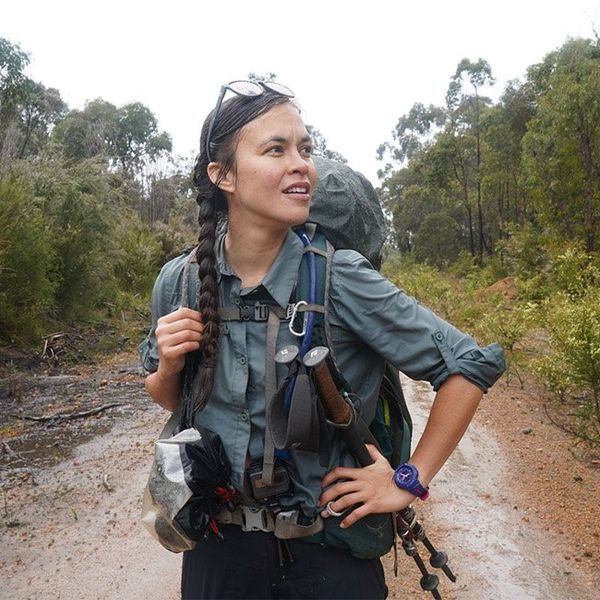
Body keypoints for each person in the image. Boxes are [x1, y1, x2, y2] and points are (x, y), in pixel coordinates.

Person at [139, 79, 505, 599]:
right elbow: (168, 399)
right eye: (276, 149)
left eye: (305, 149)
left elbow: (468, 364)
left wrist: (407, 480)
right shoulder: (179, 282)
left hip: (327, 555)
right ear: (222, 175)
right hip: (217, 551)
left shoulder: (343, 278)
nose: (301, 164)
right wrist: (170, 367)